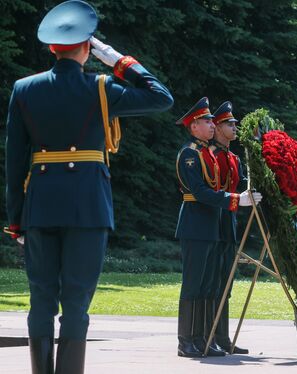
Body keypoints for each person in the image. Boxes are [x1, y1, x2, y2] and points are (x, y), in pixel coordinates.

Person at [4, 1, 173, 373]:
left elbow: (14, 162)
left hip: (41, 207)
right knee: (76, 304)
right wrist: (117, 60)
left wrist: (17, 219)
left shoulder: (24, 89)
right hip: (88, 207)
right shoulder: (101, 88)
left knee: (41, 301)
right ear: (87, 46)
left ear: (52, 47)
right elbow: (161, 97)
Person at [174, 97, 261, 358]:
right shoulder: (189, 154)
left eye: (212, 121)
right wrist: (235, 200)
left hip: (210, 224)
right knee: (193, 284)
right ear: (193, 127)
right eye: (207, 121)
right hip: (196, 223)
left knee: (209, 286)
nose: (212, 125)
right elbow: (200, 192)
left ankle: (203, 338)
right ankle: (185, 340)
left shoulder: (206, 154)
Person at [210, 101, 248, 354]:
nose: (235, 127)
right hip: (212, 223)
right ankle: (209, 336)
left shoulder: (233, 158)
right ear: (217, 127)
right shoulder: (209, 154)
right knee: (212, 284)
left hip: (228, 225)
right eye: (229, 124)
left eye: (234, 123)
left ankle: (222, 337)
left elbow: (243, 184)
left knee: (226, 284)